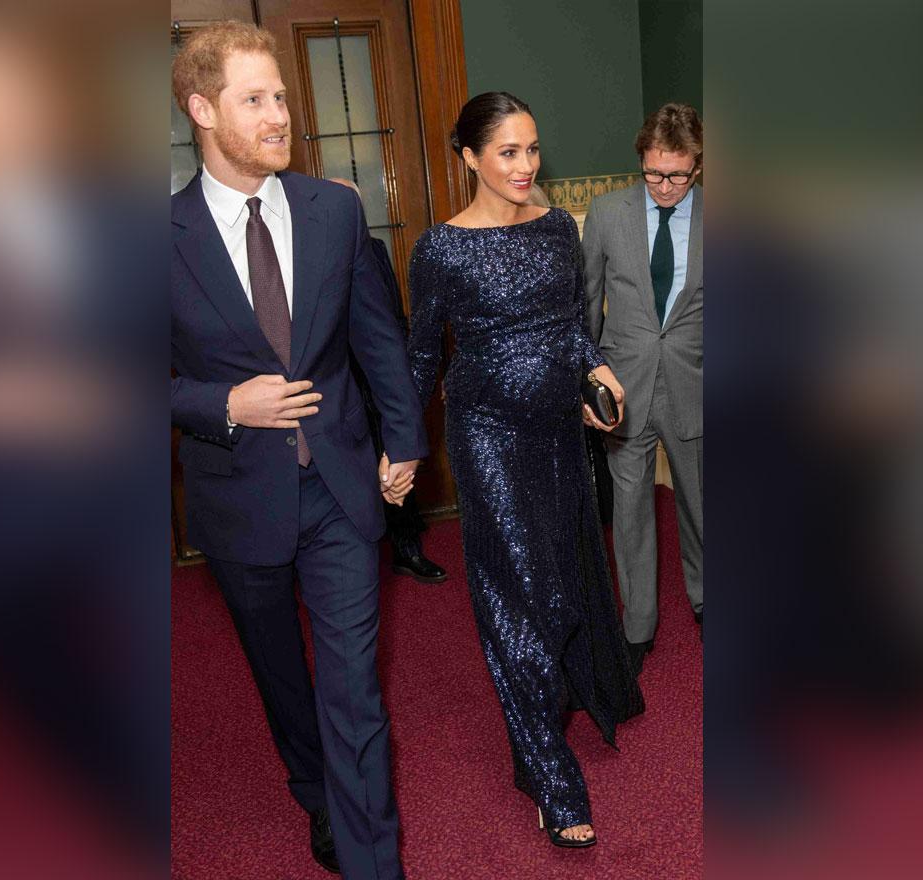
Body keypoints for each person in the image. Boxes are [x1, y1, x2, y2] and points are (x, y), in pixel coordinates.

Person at [169, 22, 426, 879]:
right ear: (204, 110)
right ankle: (311, 786)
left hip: (343, 489)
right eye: (256, 99)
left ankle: (370, 862)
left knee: (353, 691)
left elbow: (376, 338)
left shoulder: (335, 209)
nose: (280, 114)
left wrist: (405, 439)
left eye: (280, 95)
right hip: (238, 498)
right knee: (282, 673)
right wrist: (224, 402)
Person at [406, 91, 644, 848]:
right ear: (469, 157)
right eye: (507, 151)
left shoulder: (553, 233)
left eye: (532, 150)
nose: (524, 165)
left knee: (566, 584)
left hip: (556, 434)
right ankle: (551, 774)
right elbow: (419, 356)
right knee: (523, 595)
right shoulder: (440, 248)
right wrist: (402, 444)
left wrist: (599, 375)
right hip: (487, 437)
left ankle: (539, 727)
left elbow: (576, 326)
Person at [582, 103, 705, 665]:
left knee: (702, 506)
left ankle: (707, 603)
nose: (665, 186)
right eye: (654, 173)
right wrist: (585, 380)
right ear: (642, 161)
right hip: (623, 388)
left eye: (677, 174)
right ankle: (638, 626)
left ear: (698, 166)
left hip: (695, 384)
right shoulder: (607, 213)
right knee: (629, 509)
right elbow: (585, 302)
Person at [328, 178, 447, 584]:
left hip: (377, 378)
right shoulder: (306, 252)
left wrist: (402, 376)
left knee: (396, 458)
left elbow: (392, 317)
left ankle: (407, 549)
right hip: (333, 381)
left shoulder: (375, 250)